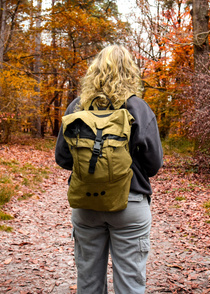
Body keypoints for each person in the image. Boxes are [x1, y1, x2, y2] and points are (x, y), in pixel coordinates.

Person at [55, 44, 163, 293]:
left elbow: (62, 158)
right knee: (130, 285)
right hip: (129, 204)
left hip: (86, 205)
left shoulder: (77, 107)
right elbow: (154, 163)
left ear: (94, 71)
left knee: (89, 283)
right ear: (130, 72)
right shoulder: (138, 108)